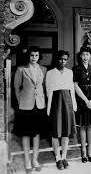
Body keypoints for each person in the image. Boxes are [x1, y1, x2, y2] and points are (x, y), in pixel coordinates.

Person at [14, 46, 47, 174]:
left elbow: (44, 87)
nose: (34, 58)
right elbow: (16, 89)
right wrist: (22, 101)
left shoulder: (43, 69)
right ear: (28, 56)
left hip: (39, 106)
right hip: (25, 106)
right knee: (26, 134)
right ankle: (27, 161)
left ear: (39, 56)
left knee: (37, 134)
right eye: (32, 55)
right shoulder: (21, 69)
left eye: (36, 55)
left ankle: (35, 160)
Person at [45, 50, 77, 170]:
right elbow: (48, 91)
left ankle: (64, 156)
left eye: (65, 59)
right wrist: (51, 107)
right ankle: (57, 158)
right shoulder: (50, 73)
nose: (62, 61)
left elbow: (72, 90)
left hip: (67, 102)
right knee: (55, 132)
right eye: (60, 59)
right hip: (55, 104)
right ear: (56, 59)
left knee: (66, 131)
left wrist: (73, 105)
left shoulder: (70, 72)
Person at [73, 46, 91, 163]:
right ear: (80, 56)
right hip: (82, 100)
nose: (85, 57)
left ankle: (89, 150)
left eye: (87, 55)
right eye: (83, 55)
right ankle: (83, 151)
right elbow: (75, 85)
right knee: (83, 125)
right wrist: (85, 100)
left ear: (90, 56)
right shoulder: (76, 69)